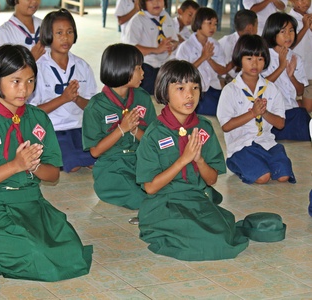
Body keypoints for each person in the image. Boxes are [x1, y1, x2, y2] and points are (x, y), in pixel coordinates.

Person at [0, 44, 93, 282]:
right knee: (38, 256)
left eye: (30, 81)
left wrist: (34, 166)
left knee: (71, 252)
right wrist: (15, 165)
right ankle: (5, 249)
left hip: (31, 203)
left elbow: (53, 176)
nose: (24, 89)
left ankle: (14, 248)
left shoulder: (38, 118)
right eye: (15, 81)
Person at [136, 59, 249, 261]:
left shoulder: (203, 128)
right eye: (180, 88)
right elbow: (151, 188)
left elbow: (212, 180)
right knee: (203, 240)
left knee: (221, 234)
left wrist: (199, 160)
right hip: (165, 202)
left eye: (195, 88)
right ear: (164, 91)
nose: (190, 95)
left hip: (197, 198)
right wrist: (182, 160)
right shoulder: (153, 134)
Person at [82, 43, 156, 210]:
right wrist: (122, 129)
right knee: (141, 197)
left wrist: (135, 129)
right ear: (123, 69)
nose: (143, 73)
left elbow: (152, 141)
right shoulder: (96, 106)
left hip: (139, 161)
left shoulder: (142, 98)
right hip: (112, 168)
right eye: (139, 68)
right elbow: (95, 151)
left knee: (170, 186)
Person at [217, 35, 296, 184]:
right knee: (263, 177)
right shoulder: (230, 90)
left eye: (260, 59)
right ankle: (236, 163)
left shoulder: (271, 89)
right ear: (239, 59)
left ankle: (261, 162)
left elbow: (280, 124)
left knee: (283, 176)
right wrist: (252, 113)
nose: (255, 64)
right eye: (249, 59)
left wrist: (263, 112)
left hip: (266, 142)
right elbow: (226, 126)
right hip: (241, 146)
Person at [28, 9, 97, 172]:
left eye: (69, 32)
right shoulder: (37, 68)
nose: (65, 37)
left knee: (95, 161)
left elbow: (93, 107)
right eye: (59, 33)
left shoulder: (82, 66)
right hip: (53, 129)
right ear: (47, 35)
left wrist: (76, 99)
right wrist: (63, 98)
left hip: (80, 127)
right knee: (72, 165)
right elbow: (31, 112)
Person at [261, 12, 311, 141]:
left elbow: (300, 91)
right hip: (271, 112)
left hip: (291, 110)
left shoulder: (296, 58)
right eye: (283, 32)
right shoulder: (264, 56)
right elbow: (261, 86)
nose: (288, 35)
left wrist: (291, 76)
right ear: (273, 33)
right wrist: (281, 67)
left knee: (302, 115)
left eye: (291, 31)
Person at [176, 7, 226, 116]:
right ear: (198, 23)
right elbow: (181, 73)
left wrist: (209, 58)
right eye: (209, 23)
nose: (213, 27)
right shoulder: (186, 46)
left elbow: (222, 70)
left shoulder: (215, 45)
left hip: (213, 89)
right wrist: (203, 57)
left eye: (215, 24)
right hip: (194, 92)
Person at [123, 0, 178, 95]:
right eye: (151, 0)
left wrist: (171, 45)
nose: (156, 3)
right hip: (146, 66)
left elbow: (175, 40)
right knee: (147, 96)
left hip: (165, 65)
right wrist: (156, 50)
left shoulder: (166, 17)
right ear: (143, 3)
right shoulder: (137, 20)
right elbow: (131, 49)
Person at [218, 9, 258, 83]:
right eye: (256, 25)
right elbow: (223, 74)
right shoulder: (227, 42)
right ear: (250, 27)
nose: (257, 29)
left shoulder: (255, 41)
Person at [289, 0, 312, 112]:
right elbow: (290, 44)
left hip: (310, 70)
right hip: (296, 71)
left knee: (308, 107)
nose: (305, 2)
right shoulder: (289, 20)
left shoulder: (310, 17)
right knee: (303, 107)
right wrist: (305, 27)